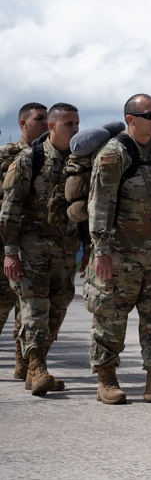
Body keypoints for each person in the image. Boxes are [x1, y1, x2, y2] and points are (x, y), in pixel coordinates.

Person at [85, 94, 151, 405]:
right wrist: (101, 251)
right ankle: (106, 380)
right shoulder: (112, 154)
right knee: (110, 317)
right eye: (150, 114)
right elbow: (99, 204)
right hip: (120, 253)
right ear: (131, 119)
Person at [1, 103, 80, 396]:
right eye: (68, 124)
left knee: (58, 307)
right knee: (35, 306)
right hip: (31, 247)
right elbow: (10, 208)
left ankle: (34, 368)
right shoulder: (27, 160)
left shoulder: (79, 160)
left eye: (77, 124)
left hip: (66, 250)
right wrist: (10, 250)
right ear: (52, 126)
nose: (75, 130)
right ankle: (39, 366)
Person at [0, 102, 48, 380]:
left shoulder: (50, 155)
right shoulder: (8, 155)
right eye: (38, 119)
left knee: (27, 309)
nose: (44, 123)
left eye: (46, 118)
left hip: (34, 245)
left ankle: (24, 364)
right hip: (6, 242)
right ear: (23, 123)